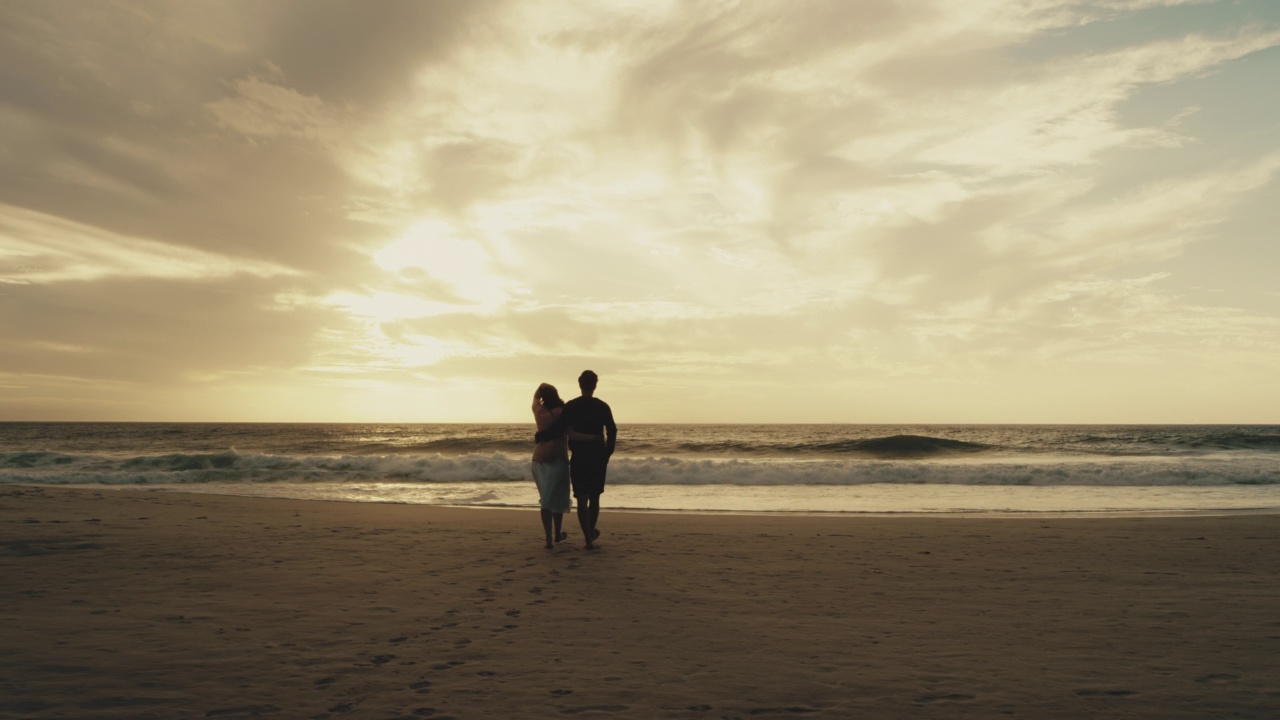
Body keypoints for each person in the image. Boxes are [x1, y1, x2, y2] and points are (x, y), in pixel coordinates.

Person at [536, 370, 616, 550]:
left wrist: (541, 436)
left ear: (580, 385)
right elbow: (612, 430)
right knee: (594, 497)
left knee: (582, 498)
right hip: (597, 456)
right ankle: (589, 535)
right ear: (595, 385)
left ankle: (588, 537)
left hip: (579, 457)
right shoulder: (602, 406)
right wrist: (607, 453)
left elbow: (559, 428)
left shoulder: (572, 406)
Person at [530, 383, 571, 549]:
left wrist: (540, 389)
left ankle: (548, 537)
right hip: (557, 459)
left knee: (545, 499)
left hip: (538, 459)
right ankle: (557, 534)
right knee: (558, 499)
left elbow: (535, 396)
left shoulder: (538, 411)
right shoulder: (562, 412)